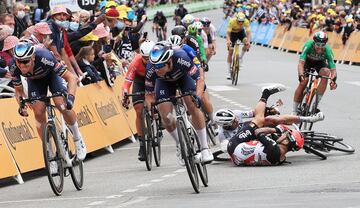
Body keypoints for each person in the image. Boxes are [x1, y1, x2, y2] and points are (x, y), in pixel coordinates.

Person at [12, 43, 87, 170]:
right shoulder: (14, 68)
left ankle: (77, 138)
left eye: (25, 62)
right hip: (35, 82)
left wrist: (70, 97)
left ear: (33, 57)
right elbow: (18, 91)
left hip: (53, 76)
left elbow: (71, 78)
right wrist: (21, 105)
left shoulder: (46, 58)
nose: (22, 65)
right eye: (19, 62)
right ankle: (50, 155)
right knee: (38, 112)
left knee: (61, 105)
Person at [145, 43, 214, 165]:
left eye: (160, 66)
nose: (157, 69)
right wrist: (152, 109)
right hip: (164, 83)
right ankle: (180, 144)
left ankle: (204, 148)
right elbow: (149, 95)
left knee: (193, 105)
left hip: (183, 77)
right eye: (155, 66)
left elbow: (199, 79)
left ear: (169, 61)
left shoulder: (182, 58)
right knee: (166, 117)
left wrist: (197, 96)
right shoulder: (152, 69)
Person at [222, 84, 313, 166]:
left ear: (286, 141)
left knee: (259, 120)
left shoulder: (273, 147)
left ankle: (265, 93)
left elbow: (258, 131)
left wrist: (277, 130)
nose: (284, 134)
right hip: (237, 160)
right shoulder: (281, 158)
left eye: (285, 135)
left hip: (234, 145)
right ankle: (305, 119)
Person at [121, 40, 155, 161]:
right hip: (140, 81)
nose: (146, 60)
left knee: (158, 101)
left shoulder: (158, 59)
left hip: (155, 80)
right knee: (139, 111)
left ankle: (158, 120)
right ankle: (142, 145)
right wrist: (125, 93)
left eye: (149, 58)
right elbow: (127, 82)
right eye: (144, 58)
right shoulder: (135, 62)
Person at [292, 31, 337, 115]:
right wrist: (301, 75)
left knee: (326, 73)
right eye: (318, 45)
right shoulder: (308, 45)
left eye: (322, 45)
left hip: (320, 63)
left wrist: (333, 80)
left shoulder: (328, 50)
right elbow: (301, 63)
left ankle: (315, 105)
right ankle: (294, 110)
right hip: (307, 62)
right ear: (314, 43)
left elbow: (333, 69)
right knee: (304, 81)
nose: (320, 47)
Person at [226, 12, 251, 79]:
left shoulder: (246, 21)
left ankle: (240, 57)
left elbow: (248, 33)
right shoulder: (232, 21)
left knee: (246, 43)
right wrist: (228, 41)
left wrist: (248, 42)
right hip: (232, 34)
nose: (240, 23)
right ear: (236, 19)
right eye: (239, 21)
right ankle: (228, 72)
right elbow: (228, 33)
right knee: (230, 51)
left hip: (240, 33)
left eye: (242, 22)